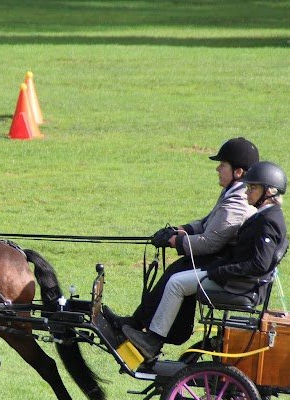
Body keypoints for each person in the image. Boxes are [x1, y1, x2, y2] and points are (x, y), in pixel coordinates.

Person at [122, 161, 289, 362]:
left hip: (238, 284)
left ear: (268, 192)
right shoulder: (265, 215)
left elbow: (259, 264)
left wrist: (220, 271)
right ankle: (150, 331)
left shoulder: (268, 220)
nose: (247, 192)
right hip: (237, 279)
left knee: (177, 283)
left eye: (252, 188)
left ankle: (153, 341)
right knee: (178, 276)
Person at [104, 137, 259, 344]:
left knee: (175, 276)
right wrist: (179, 230)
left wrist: (176, 242)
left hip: (220, 261)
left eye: (222, 165)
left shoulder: (237, 203)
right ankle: (136, 322)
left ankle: (151, 337)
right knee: (174, 270)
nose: (217, 169)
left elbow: (210, 242)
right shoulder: (231, 193)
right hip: (217, 257)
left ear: (238, 172)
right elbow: (207, 222)